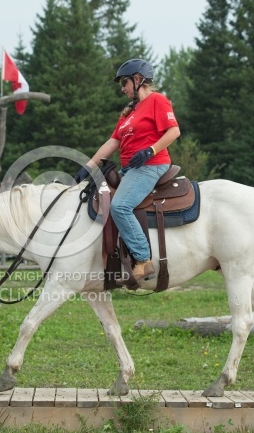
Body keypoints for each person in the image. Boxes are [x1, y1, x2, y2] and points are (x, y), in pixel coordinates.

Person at [74, 58, 180, 283]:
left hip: (151, 165)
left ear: (138, 79)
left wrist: (150, 151)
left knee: (120, 206)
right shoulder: (128, 113)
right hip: (131, 169)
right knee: (97, 196)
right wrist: (88, 167)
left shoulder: (157, 101)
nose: (122, 88)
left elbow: (174, 132)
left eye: (124, 82)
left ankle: (143, 260)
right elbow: (112, 143)